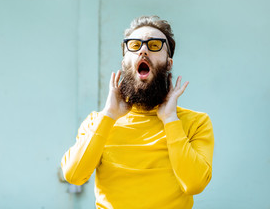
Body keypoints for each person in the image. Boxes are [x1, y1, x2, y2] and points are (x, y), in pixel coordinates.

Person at [61, 15, 214, 209]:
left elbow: (194, 184)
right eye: (134, 45)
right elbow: (74, 175)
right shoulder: (97, 122)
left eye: (155, 45)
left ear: (169, 63)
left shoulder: (196, 123)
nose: (143, 50)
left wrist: (170, 119)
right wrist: (108, 114)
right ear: (124, 60)